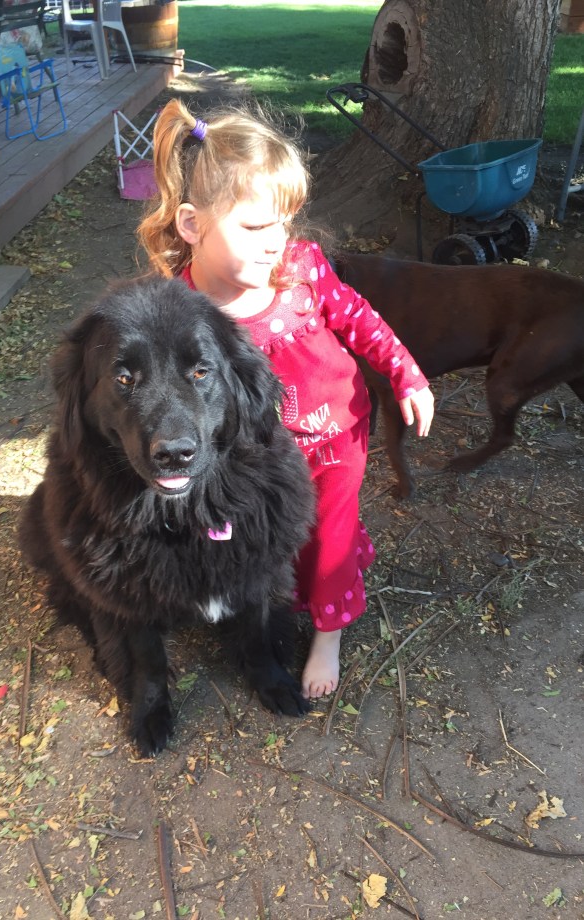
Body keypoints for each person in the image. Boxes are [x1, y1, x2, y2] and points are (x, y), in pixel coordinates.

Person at [138, 99, 435, 701]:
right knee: (259, 536)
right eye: (254, 227)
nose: (275, 242)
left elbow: (359, 320)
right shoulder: (181, 308)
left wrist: (406, 373)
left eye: (284, 224)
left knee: (329, 536)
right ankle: (260, 607)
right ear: (192, 225)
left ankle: (328, 631)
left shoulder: (302, 269)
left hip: (334, 439)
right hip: (250, 459)